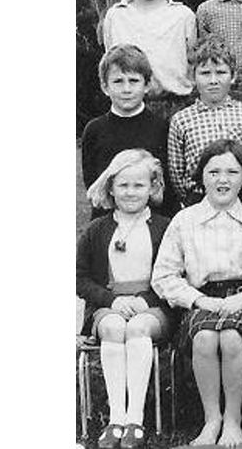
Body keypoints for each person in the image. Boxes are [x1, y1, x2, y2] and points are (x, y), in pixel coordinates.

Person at [151, 139, 242, 447]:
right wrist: (198, 299)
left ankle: (233, 419)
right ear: (201, 176)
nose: (223, 179)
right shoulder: (184, 220)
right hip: (199, 298)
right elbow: (163, 275)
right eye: (213, 171)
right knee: (205, 336)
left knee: (230, 336)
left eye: (232, 171)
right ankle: (211, 419)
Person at [77, 150, 171, 449]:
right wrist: (111, 300)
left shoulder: (165, 227)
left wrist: (146, 299)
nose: (131, 192)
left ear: (153, 188)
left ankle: (135, 419)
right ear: (111, 187)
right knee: (116, 328)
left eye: (139, 185)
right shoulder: (97, 229)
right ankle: (116, 418)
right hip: (108, 306)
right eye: (124, 185)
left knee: (138, 328)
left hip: (152, 307)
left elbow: (175, 274)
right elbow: (79, 278)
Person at [101, 0, 197, 121]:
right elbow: (111, 59)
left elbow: (193, 64)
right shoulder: (116, 16)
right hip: (131, 104)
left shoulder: (183, 16)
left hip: (177, 105)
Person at [167, 36, 242, 207]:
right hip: (198, 200)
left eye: (221, 72)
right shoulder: (181, 120)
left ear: (233, 76)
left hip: (241, 199)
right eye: (205, 73)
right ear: (193, 77)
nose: (213, 80)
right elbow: (177, 172)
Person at [81, 45, 171, 218]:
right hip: (107, 221)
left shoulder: (161, 128)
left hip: (152, 221)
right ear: (105, 86)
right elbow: (93, 182)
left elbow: (165, 184)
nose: (126, 89)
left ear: (147, 85)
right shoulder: (94, 130)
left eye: (134, 81)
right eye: (118, 81)